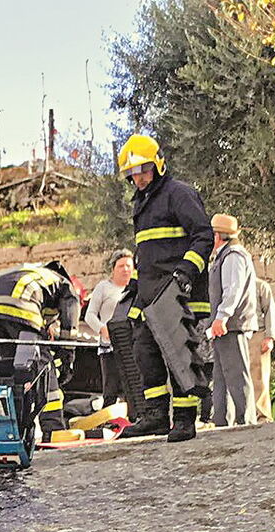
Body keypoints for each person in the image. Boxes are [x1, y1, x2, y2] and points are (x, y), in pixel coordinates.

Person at [116, 134, 213, 442]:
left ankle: (185, 419)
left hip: (178, 293)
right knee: (144, 351)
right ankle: (156, 415)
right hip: (150, 295)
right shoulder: (143, 204)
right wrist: (136, 289)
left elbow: (203, 236)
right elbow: (149, 253)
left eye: (143, 170)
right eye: (132, 173)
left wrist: (186, 271)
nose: (138, 177)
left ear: (157, 165)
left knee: (179, 357)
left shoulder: (178, 194)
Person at [0, 261, 80, 442]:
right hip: (21, 310)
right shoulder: (64, 283)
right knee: (43, 369)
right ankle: (53, 428)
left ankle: (6, 431)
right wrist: (67, 354)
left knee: (3, 371)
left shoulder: (27, 274)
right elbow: (70, 321)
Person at [208, 214, 258, 427]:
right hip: (226, 326)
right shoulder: (226, 255)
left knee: (237, 376)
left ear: (217, 235)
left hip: (232, 325)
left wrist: (222, 317)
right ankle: (222, 421)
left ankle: (245, 421)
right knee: (222, 377)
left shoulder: (233, 255)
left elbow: (233, 289)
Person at [85, 249, 134, 407]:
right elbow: (90, 315)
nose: (125, 269)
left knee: (132, 385)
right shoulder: (103, 287)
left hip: (132, 345)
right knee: (111, 387)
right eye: (121, 266)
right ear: (113, 269)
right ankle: (110, 421)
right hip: (109, 346)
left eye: (128, 266)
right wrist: (102, 329)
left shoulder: (135, 288)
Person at [250, 279, 275, 422]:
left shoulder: (260, 286)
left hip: (258, 334)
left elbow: (269, 310)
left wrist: (270, 336)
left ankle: (262, 415)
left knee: (259, 377)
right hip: (238, 335)